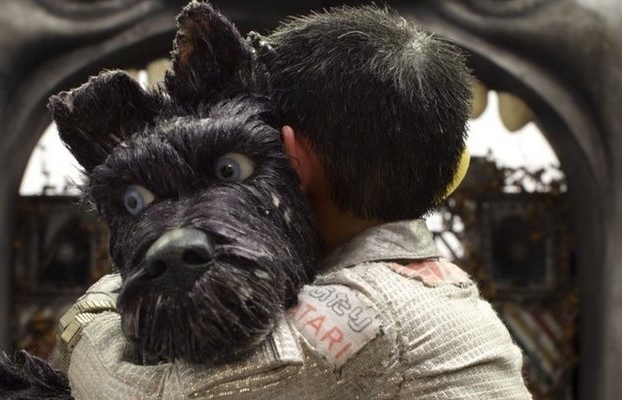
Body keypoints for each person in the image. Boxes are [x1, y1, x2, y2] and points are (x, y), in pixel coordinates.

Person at [58, 5, 531, 399]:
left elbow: (158, 394)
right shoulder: (419, 279)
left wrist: (91, 315)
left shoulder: (364, 310)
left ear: (292, 155)